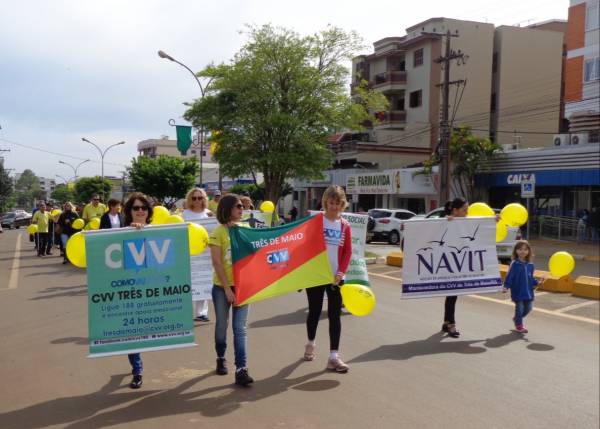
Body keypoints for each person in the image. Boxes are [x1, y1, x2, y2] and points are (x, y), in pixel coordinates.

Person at [303, 185, 352, 373]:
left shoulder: (345, 225)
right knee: (314, 311)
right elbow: (304, 245)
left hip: (335, 278)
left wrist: (341, 272)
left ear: (343, 204)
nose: (334, 207)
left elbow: (347, 251)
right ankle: (310, 343)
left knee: (334, 315)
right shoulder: (316, 221)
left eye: (338, 203)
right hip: (316, 276)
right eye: (331, 203)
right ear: (325, 202)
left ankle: (333, 357)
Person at [209, 193, 254, 386]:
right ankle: (221, 357)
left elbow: (253, 256)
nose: (241, 209)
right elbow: (217, 263)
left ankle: (241, 369)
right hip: (222, 288)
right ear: (227, 209)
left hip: (244, 287)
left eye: (242, 206)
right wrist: (228, 289)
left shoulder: (246, 228)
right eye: (238, 206)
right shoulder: (218, 232)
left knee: (240, 329)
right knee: (221, 326)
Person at [115, 192, 154, 389]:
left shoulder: (160, 232)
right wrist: (131, 233)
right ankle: (137, 370)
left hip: (154, 290)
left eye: (144, 208)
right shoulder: (120, 234)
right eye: (136, 208)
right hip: (130, 290)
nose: (140, 211)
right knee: (132, 331)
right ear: (129, 212)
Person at [439, 197, 469, 338]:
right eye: (464, 210)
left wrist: (494, 219)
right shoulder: (445, 220)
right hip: (446, 263)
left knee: (452, 295)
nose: (467, 213)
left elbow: (481, 226)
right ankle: (451, 324)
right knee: (451, 294)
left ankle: (446, 323)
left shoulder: (465, 222)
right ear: (455, 210)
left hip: (458, 263)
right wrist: (446, 221)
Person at [182, 188, 213, 322]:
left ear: (204, 199)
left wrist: (214, 219)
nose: (197, 201)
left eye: (200, 198)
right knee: (190, 281)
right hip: (188, 251)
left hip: (205, 252)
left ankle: (201, 313)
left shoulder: (209, 214)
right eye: (194, 198)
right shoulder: (185, 214)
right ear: (190, 199)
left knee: (204, 280)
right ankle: (186, 311)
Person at [502, 241, 545, 333]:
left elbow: (531, 278)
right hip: (517, 291)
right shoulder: (514, 264)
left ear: (529, 251)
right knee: (520, 308)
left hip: (528, 291)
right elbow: (510, 276)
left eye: (525, 249)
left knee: (528, 308)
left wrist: (538, 282)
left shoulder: (530, 265)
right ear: (516, 251)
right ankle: (519, 325)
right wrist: (506, 286)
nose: (523, 251)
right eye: (520, 249)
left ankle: (517, 319)